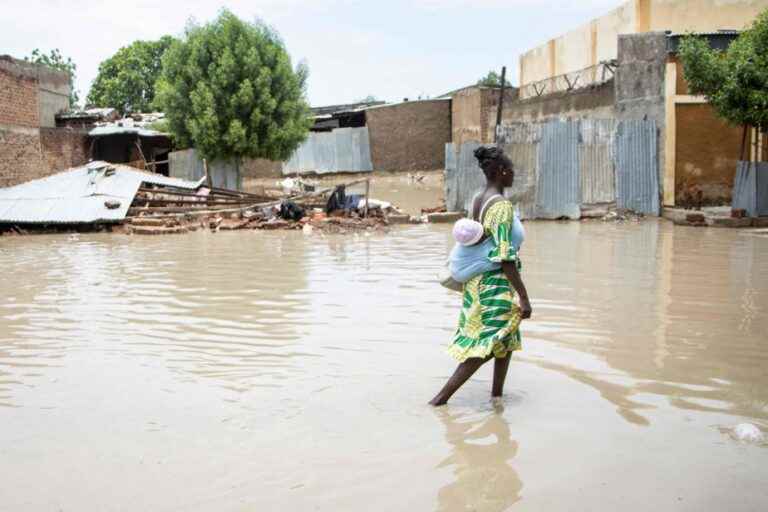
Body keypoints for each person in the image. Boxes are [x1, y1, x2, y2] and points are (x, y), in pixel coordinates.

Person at [430, 146, 532, 407]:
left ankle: (497, 398)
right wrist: (524, 297)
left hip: (479, 282)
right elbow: (504, 255)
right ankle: (439, 401)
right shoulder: (501, 206)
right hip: (493, 285)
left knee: (506, 340)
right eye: (511, 171)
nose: (513, 176)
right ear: (501, 171)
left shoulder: (479, 198)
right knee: (486, 344)